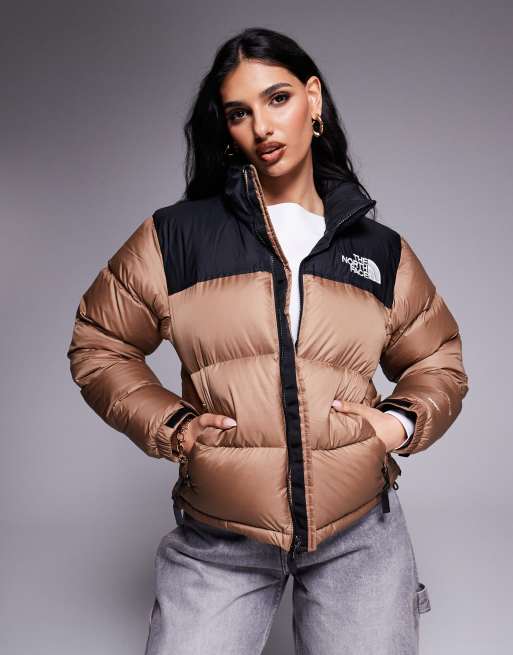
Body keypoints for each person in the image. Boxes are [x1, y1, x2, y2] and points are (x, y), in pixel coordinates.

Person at [66, 27, 469, 655]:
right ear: (226, 128)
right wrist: (174, 426)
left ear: (313, 99)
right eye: (239, 113)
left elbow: (438, 360)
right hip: (220, 532)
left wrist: (399, 424)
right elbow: (100, 342)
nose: (262, 127)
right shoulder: (178, 237)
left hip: (357, 530)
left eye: (277, 98)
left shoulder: (378, 249)